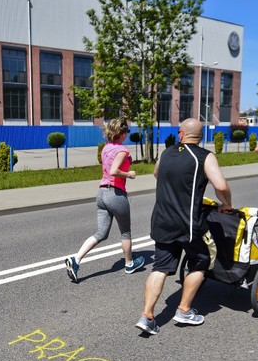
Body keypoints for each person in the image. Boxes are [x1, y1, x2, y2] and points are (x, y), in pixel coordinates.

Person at [135, 118, 233, 335]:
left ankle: (147, 316)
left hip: (162, 220)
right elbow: (220, 185)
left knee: (160, 267)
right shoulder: (204, 156)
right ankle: (184, 310)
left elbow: (157, 174)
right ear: (201, 136)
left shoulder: (166, 153)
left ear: (181, 134)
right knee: (201, 260)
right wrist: (227, 203)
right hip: (187, 223)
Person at [65, 117, 144, 282]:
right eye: (126, 131)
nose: (127, 134)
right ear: (122, 133)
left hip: (101, 193)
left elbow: (109, 168)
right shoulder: (122, 150)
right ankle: (129, 264)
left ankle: (76, 259)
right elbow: (114, 171)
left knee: (101, 233)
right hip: (116, 194)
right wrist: (129, 174)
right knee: (125, 232)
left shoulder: (106, 148)